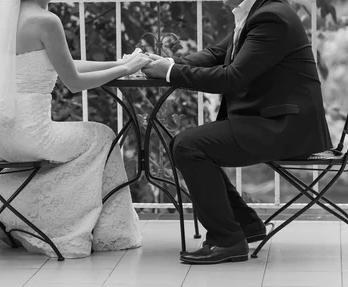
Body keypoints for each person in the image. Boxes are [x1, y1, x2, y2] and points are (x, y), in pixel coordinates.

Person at [0, 0, 152, 258]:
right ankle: (108, 233)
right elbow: (74, 82)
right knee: (103, 136)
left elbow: (61, 62)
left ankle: (25, 217)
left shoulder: (1, 18)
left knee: (86, 145)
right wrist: (126, 70)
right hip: (30, 136)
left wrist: (116, 64)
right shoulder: (47, 21)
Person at [142, 0, 333, 264]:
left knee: (189, 146)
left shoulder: (272, 18)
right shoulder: (256, 13)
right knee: (188, 144)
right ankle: (245, 225)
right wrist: (169, 63)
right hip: (273, 120)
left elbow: (232, 77)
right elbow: (215, 53)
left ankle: (227, 240)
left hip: (285, 128)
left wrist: (171, 73)